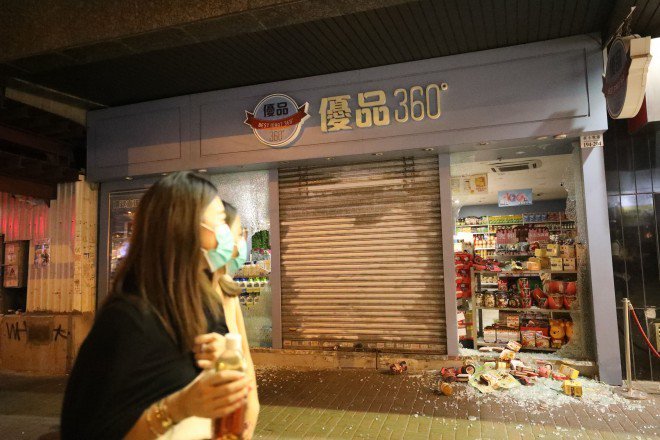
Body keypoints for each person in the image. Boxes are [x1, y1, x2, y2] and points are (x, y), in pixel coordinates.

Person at [61, 172, 250, 439]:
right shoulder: (127, 320)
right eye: (220, 221)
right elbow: (87, 429)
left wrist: (224, 355)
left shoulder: (207, 302)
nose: (227, 235)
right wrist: (178, 406)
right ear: (183, 228)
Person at [197, 201, 260, 438]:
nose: (241, 241)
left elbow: (245, 357)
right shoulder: (191, 297)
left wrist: (251, 407)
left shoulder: (227, 289)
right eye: (237, 233)